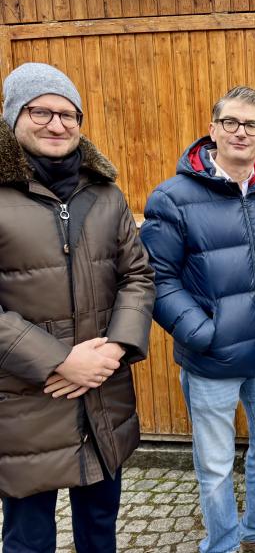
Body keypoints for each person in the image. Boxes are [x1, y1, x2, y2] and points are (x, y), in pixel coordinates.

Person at [140, 86, 255, 553]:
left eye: (250, 125)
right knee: (215, 463)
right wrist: (199, 332)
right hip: (210, 359)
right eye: (230, 122)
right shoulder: (172, 197)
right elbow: (155, 277)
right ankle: (222, 544)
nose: (240, 132)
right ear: (213, 129)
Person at [0, 62, 155, 552]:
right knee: (28, 536)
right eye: (40, 111)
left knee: (100, 525)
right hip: (28, 399)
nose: (57, 124)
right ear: (12, 117)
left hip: (102, 398)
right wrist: (61, 360)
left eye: (69, 114)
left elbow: (138, 275)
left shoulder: (104, 193)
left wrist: (115, 348)